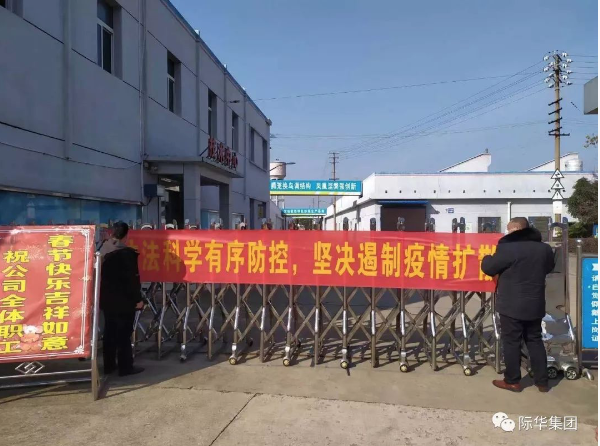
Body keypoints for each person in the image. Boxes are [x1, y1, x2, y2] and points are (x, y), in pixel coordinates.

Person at [481, 217, 555, 393]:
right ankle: (542, 382)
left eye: (509, 230)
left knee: (511, 342)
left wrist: (487, 257)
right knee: (535, 340)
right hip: (535, 303)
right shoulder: (544, 249)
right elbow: (548, 268)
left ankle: (512, 381)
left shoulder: (508, 248)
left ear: (516, 229)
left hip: (511, 304)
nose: (507, 233)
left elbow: (489, 268)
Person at [99, 222, 144, 376]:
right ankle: (125, 367)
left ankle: (109, 365)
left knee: (109, 332)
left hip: (106, 299)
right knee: (124, 334)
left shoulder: (102, 250)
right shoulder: (126, 254)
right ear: (126, 236)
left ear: (111, 233)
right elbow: (132, 280)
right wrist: (138, 299)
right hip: (124, 301)